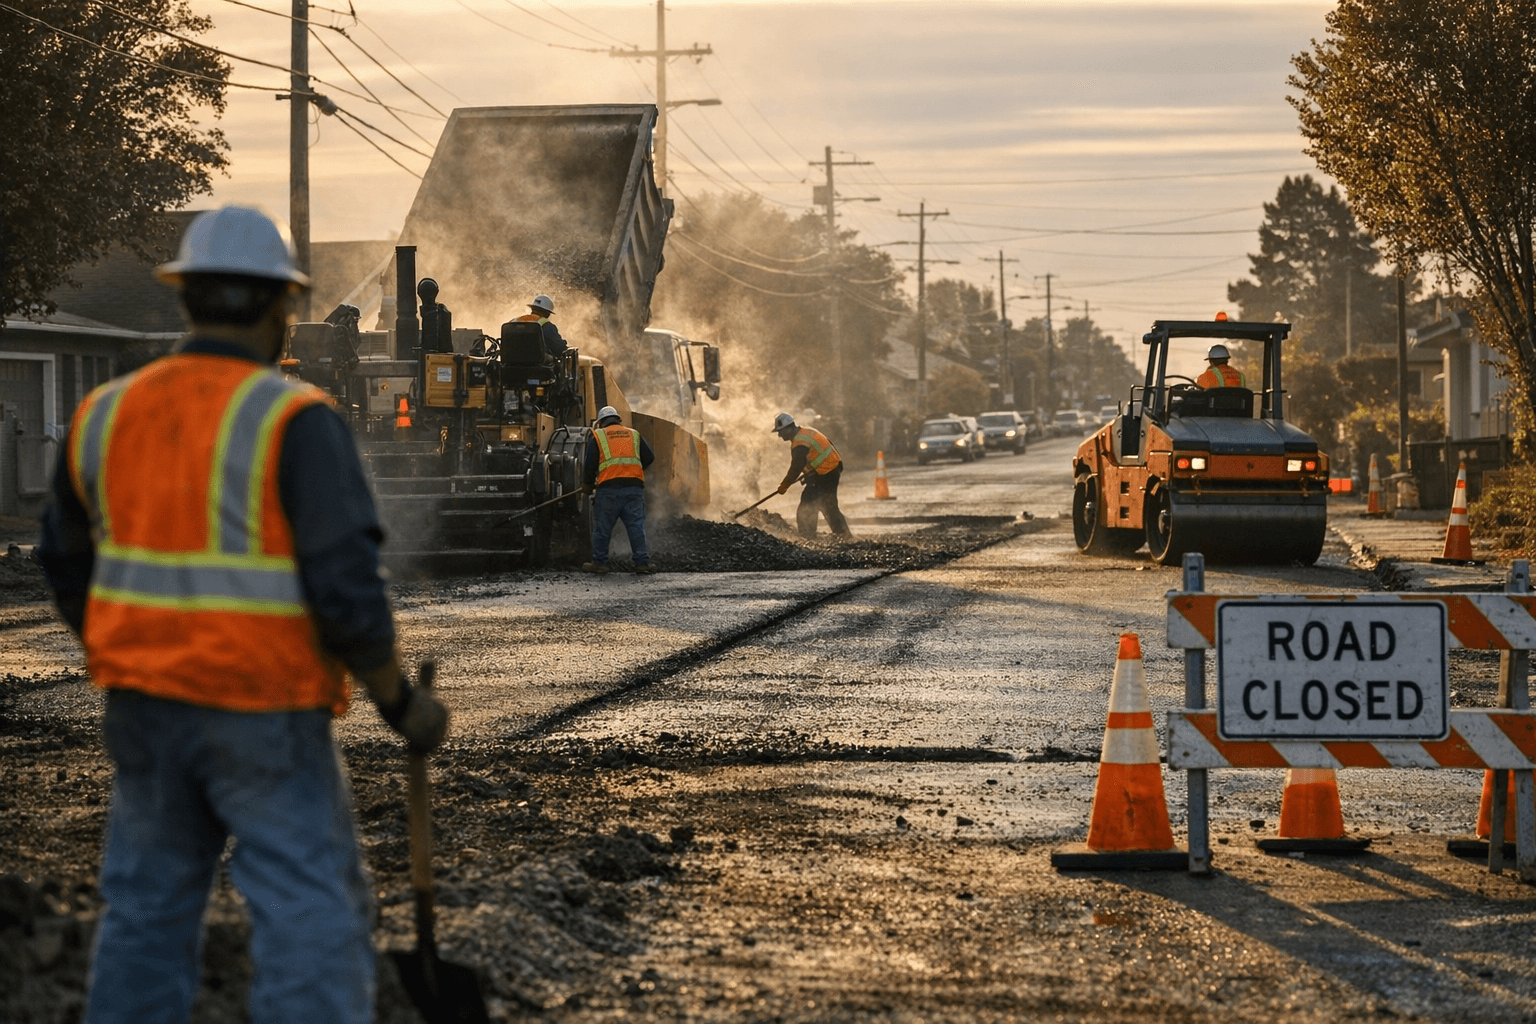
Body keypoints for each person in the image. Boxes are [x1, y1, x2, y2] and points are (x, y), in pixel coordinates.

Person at [34, 205, 449, 1024]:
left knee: (145, 909)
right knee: (308, 908)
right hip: (265, 710)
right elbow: (345, 589)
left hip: (145, 711)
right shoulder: (295, 421)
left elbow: (63, 559)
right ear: (278, 307)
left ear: (185, 297)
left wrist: (126, 650)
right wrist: (400, 703)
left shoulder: (105, 414)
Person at [582, 404, 655, 574]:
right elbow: (649, 457)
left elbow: (590, 464)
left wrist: (587, 485)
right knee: (636, 527)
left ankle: (599, 563)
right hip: (633, 490)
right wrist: (633, 470)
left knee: (603, 528)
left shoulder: (599, 436)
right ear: (618, 420)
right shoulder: (633, 434)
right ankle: (642, 564)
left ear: (601, 422)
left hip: (608, 491)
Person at [772, 412, 851, 538]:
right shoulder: (806, 432)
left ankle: (808, 536)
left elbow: (796, 467)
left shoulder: (800, 443)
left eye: (780, 431)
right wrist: (810, 475)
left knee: (809, 504)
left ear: (788, 428)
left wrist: (784, 485)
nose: (779, 435)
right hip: (831, 467)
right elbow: (825, 446)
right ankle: (843, 535)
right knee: (827, 505)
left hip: (826, 472)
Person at [515, 293, 567, 358]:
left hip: (511, 361)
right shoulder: (546, 326)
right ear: (547, 314)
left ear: (532, 309)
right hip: (536, 362)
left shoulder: (514, 321)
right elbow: (560, 349)